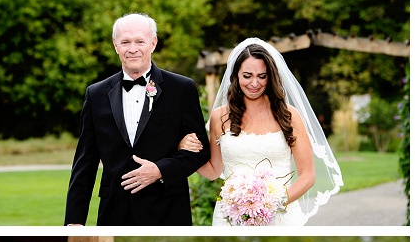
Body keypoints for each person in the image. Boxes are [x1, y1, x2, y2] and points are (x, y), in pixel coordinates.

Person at [64, 13, 210, 225]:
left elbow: (200, 151)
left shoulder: (181, 88)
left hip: (167, 211)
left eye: (139, 41)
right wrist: (74, 221)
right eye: (125, 42)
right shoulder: (95, 94)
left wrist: (160, 170)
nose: (132, 49)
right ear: (115, 45)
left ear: (153, 43)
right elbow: (85, 162)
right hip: (114, 211)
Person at [179, 38, 342, 226]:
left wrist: (272, 204)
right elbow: (213, 171)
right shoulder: (220, 116)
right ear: (236, 75)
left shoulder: (289, 115)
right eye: (247, 76)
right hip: (231, 217)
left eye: (262, 76)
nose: (254, 83)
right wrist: (184, 148)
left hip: (281, 215)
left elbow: (307, 175)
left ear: (270, 76)